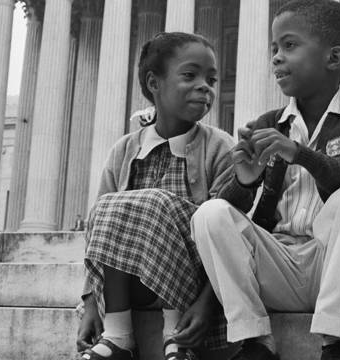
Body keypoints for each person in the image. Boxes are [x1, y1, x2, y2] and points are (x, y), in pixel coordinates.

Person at [191, 0, 340, 360]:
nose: (276, 57)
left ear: (334, 58)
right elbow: (227, 219)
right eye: (274, 48)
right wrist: (246, 181)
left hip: (334, 265)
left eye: (290, 45)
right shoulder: (269, 123)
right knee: (210, 213)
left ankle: (336, 344)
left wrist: (299, 153)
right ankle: (253, 341)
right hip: (275, 263)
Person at [77, 32, 236, 360]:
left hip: (195, 281)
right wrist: (90, 302)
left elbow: (229, 233)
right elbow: (98, 231)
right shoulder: (124, 150)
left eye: (212, 79)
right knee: (110, 206)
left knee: (155, 202)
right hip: (134, 281)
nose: (205, 86)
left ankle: (174, 336)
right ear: (154, 83)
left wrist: (207, 302)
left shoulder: (221, 147)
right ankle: (118, 335)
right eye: (190, 76)